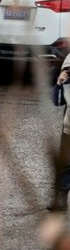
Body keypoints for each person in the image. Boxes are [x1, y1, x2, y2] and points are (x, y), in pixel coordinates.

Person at [51, 55, 70, 211]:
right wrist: (59, 83)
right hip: (69, 128)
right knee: (65, 164)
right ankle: (61, 198)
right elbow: (57, 102)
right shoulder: (66, 84)